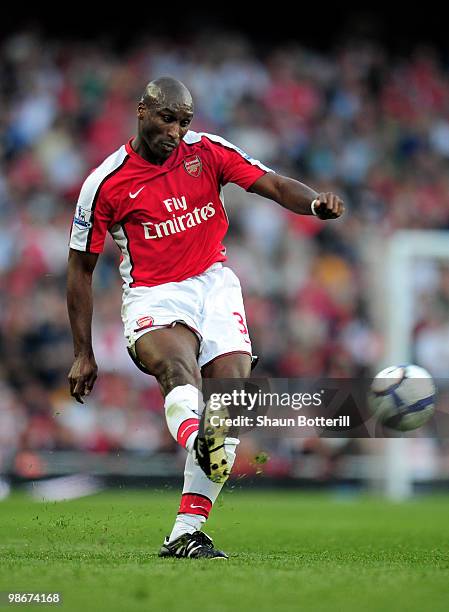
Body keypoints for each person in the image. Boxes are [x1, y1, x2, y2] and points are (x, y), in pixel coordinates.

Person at [67, 76, 344, 559]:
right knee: (179, 374)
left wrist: (315, 203)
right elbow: (80, 270)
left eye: (184, 122)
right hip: (154, 295)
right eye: (167, 119)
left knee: (228, 402)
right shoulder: (105, 183)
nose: (176, 131)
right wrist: (83, 353)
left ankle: (186, 531)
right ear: (142, 111)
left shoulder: (208, 152)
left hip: (214, 285)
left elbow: (275, 184)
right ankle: (201, 440)